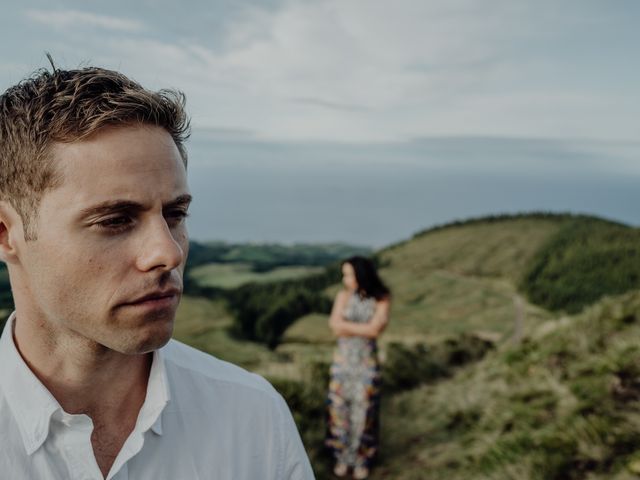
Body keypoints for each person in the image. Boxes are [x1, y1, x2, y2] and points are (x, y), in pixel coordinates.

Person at [0, 60, 314, 480]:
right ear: (6, 234)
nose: (167, 252)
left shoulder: (252, 414)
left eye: (175, 214)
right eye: (114, 220)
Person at [326, 256, 391, 479]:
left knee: (365, 411)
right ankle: (343, 457)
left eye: (349, 274)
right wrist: (362, 327)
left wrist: (347, 327)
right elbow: (334, 327)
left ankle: (362, 458)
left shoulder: (381, 297)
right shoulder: (343, 296)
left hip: (366, 364)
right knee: (339, 411)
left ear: (361, 275)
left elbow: (375, 330)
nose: (345, 279)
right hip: (343, 363)